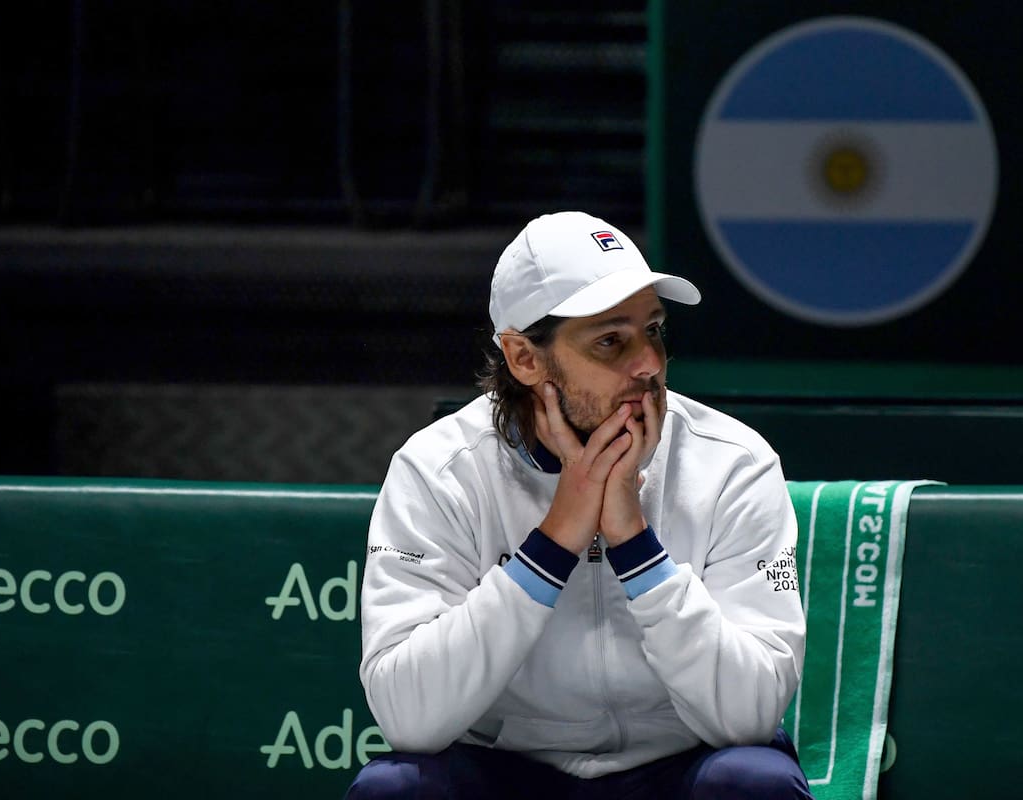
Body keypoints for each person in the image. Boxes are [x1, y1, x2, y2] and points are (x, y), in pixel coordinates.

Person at [348, 211, 812, 799]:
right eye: (610, 341)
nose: (648, 363)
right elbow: (407, 717)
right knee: (393, 792)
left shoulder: (734, 463)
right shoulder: (438, 471)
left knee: (754, 784)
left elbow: (749, 716)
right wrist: (555, 540)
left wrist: (637, 546)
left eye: (654, 330)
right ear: (524, 359)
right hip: (506, 770)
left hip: (676, 765)